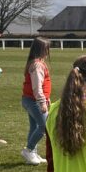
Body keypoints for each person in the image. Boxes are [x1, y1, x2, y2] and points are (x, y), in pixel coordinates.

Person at [21, 37, 53, 165]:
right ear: (41, 50)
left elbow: (40, 85)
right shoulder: (37, 65)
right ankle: (29, 150)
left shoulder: (36, 63)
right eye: (47, 49)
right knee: (44, 126)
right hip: (33, 101)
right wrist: (42, 101)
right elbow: (37, 86)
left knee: (34, 126)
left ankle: (32, 153)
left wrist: (46, 98)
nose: (48, 51)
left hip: (30, 99)